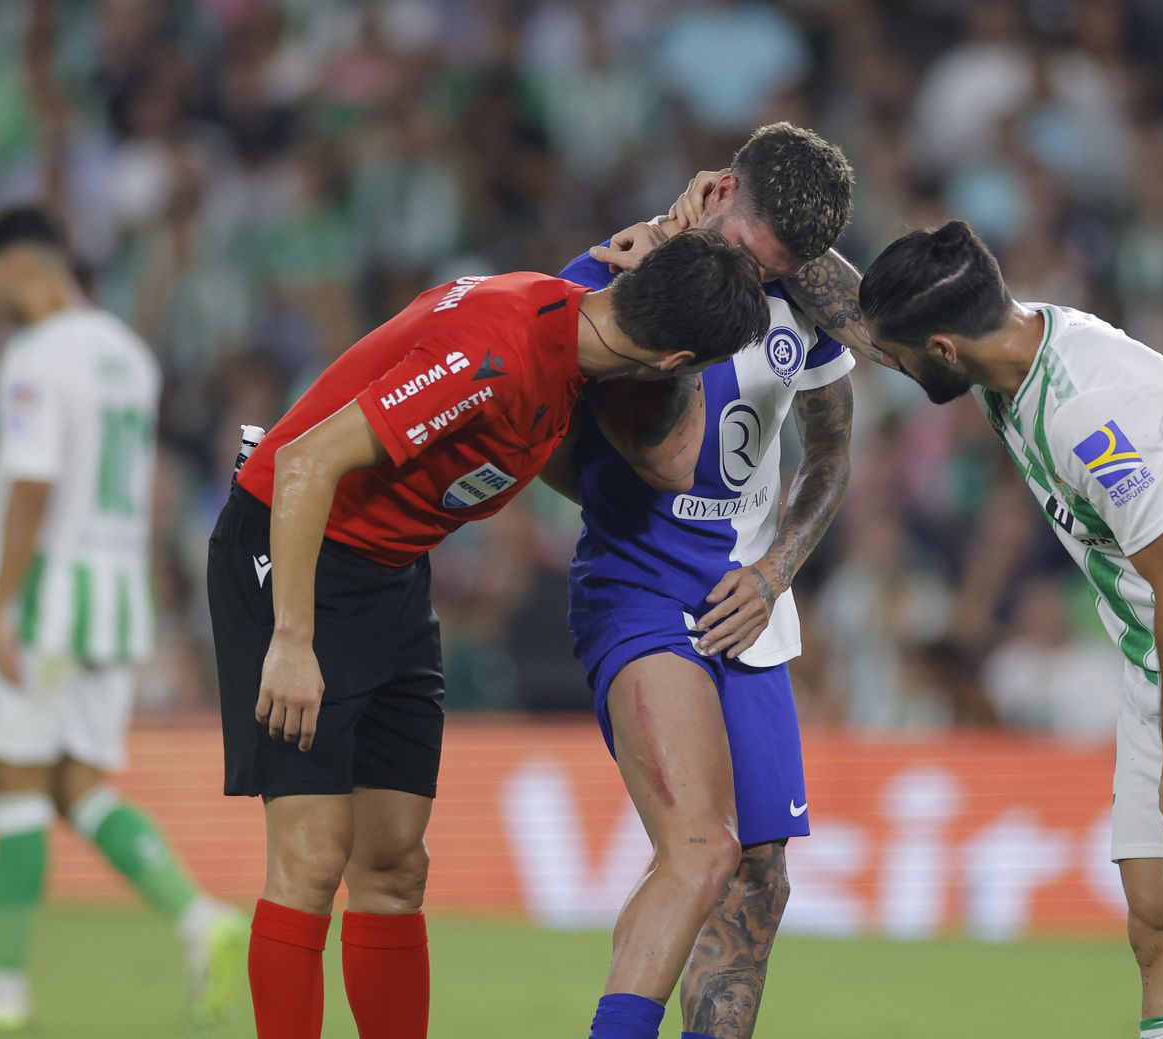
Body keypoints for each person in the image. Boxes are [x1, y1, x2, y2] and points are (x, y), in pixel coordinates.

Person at [208, 229, 769, 1039]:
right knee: (313, 857)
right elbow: (303, 464)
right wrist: (291, 638)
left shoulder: (574, 341)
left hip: (391, 570)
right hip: (296, 548)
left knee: (397, 865)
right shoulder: (496, 351)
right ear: (677, 361)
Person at [858, 221, 1163, 1039]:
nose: (891, 368)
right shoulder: (1005, 346)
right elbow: (867, 318)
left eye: (898, 356)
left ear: (941, 347)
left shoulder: (1086, 414)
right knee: (1151, 925)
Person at [0, 207, 248, 1030]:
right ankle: (202, 919)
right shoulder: (126, 352)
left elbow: (32, 482)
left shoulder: (35, 357)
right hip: (118, 600)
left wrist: (2, 604)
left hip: (49, 598)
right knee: (74, 783)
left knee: (14, 782)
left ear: (22, 268)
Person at [546, 123, 860, 1039]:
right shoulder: (608, 279)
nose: (756, 282)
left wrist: (774, 570)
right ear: (718, 193)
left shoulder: (800, 295)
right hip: (637, 589)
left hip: (749, 609)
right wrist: (610, 499)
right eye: (744, 257)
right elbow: (538, 439)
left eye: (777, 269)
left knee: (759, 872)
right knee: (697, 850)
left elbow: (833, 452)